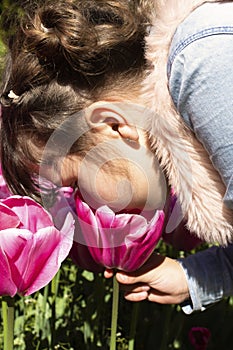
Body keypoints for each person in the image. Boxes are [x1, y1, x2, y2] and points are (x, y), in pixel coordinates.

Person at [0, 0, 233, 314]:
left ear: (112, 124)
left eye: (77, 183)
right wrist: (199, 276)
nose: (81, 202)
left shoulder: (206, 65)